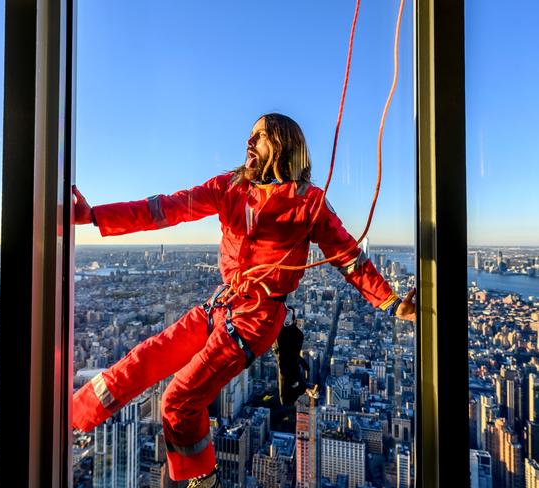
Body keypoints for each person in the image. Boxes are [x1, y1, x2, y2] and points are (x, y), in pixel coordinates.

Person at [72, 113, 416, 487]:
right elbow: (166, 209)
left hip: (258, 317)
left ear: (284, 145)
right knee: (143, 360)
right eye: (250, 136)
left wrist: (392, 302)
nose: (249, 143)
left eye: (261, 137)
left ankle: (203, 479)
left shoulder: (308, 203)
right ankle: (72, 416)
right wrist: (93, 216)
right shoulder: (230, 187)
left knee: (178, 399)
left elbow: (349, 257)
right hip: (223, 303)